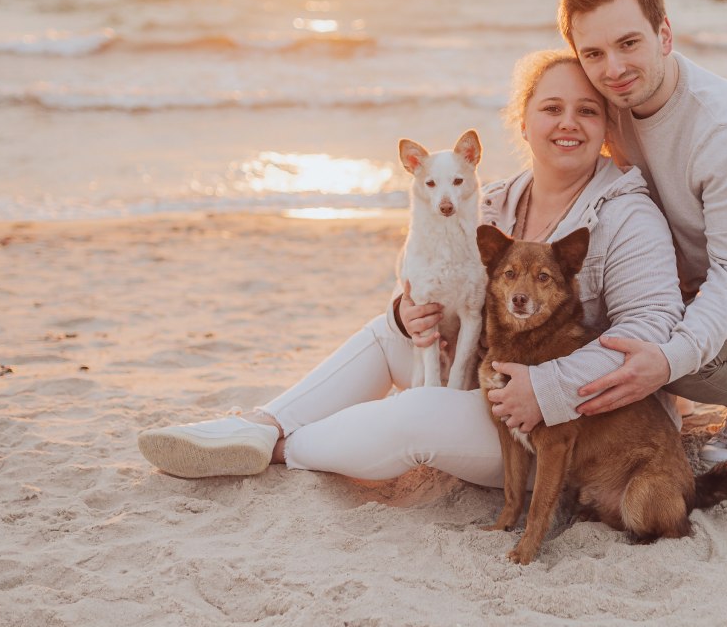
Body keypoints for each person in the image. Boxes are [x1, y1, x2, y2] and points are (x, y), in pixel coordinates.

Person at [137, 50, 686, 483]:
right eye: (551, 108)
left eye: (586, 110)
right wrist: (409, 315)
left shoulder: (627, 213)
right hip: (481, 380)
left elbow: (652, 329)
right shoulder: (489, 202)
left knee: (418, 416)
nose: (568, 122)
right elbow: (440, 282)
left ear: (607, 126)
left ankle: (282, 450)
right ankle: (260, 426)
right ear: (523, 123)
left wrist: (548, 387)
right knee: (385, 332)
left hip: (565, 429)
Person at [545, 0, 727, 462]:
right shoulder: (610, 104)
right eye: (594, 54)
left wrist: (668, 360)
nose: (614, 69)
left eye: (629, 44)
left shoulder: (724, 130)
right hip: (686, 281)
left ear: (664, 35)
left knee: (679, 360)